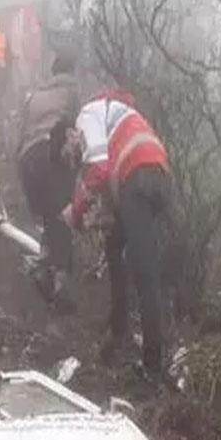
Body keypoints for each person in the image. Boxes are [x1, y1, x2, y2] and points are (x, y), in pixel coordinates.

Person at [62, 92, 170, 377]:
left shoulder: (86, 115)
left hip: (137, 173)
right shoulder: (114, 119)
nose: (75, 157)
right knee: (115, 246)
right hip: (156, 175)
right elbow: (109, 185)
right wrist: (98, 217)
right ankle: (118, 333)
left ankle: (152, 365)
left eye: (70, 151)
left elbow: (98, 169)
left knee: (144, 272)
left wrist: (76, 212)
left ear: (71, 134)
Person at [15, 54, 80, 307]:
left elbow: (20, 133)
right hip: (49, 153)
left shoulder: (35, 95)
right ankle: (61, 282)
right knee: (62, 218)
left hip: (27, 160)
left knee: (49, 218)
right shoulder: (71, 89)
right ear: (71, 71)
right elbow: (77, 127)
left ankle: (43, 268)